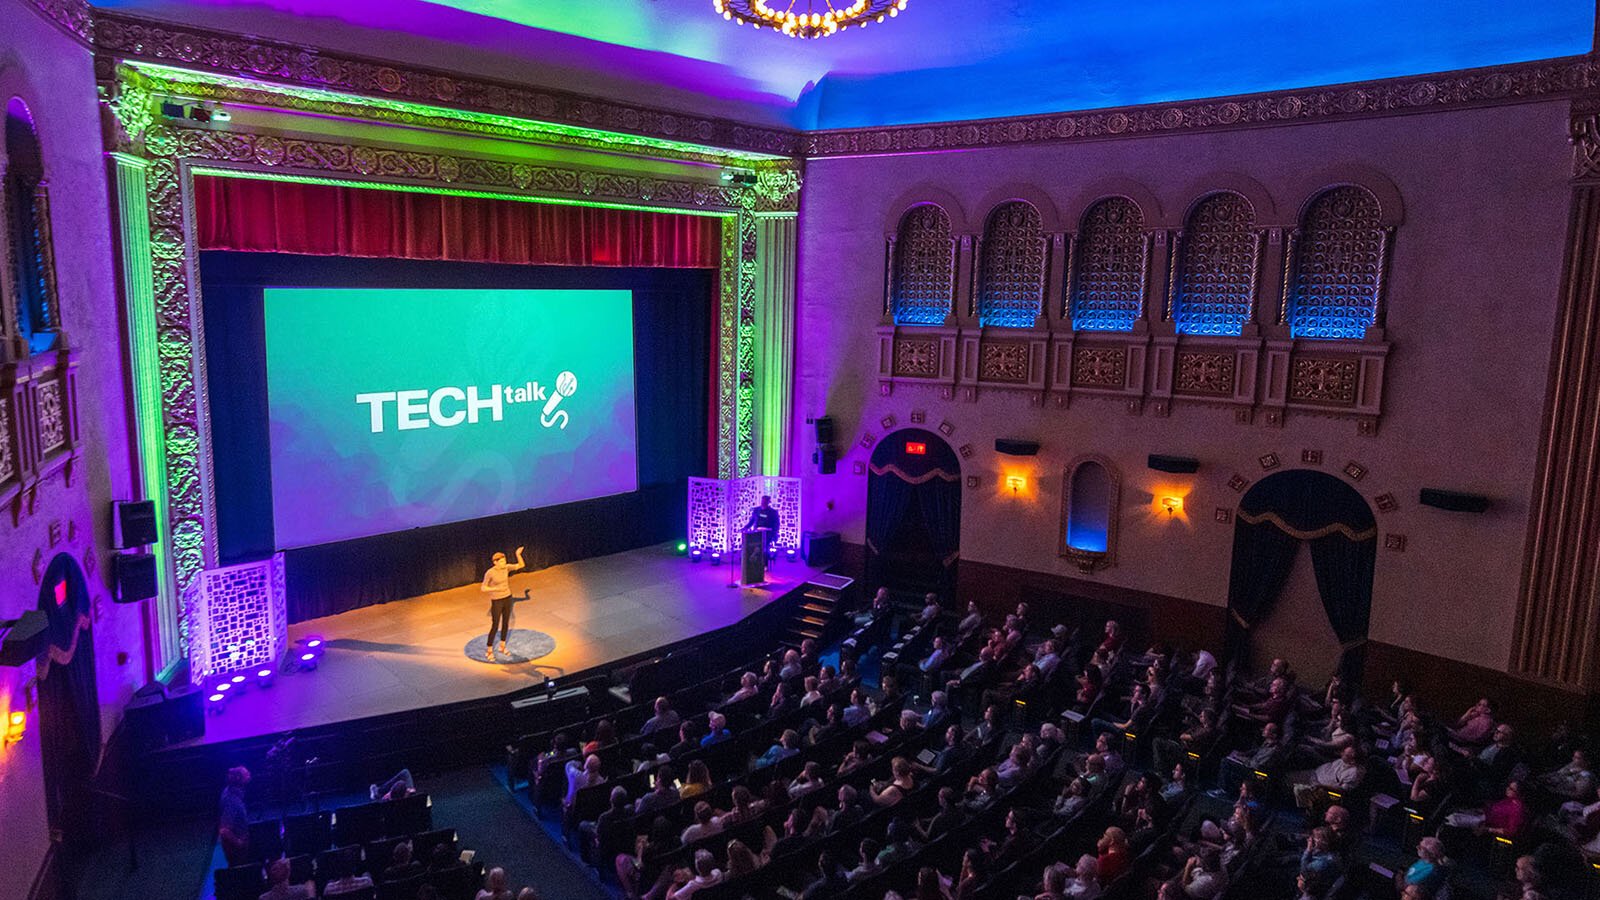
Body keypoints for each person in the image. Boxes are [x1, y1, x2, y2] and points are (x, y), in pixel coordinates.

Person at [479, 546, 525, 661]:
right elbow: (483, 588)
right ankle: (489, 650)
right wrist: (495, 589)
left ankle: (502, 647)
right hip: (497, 600)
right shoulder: (490, 572)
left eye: (505, 560)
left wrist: (518, 555)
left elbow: (521, 565)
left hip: (507, 598)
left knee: (505, 623)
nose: (504, 563)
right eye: (502, 561)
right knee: (495, 625)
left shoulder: (507, 568)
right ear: (495, 563)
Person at [219, 765, 251, 866]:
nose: (249, 776)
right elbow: (224, 830)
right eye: (246, 775)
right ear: (239, 779)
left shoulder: (231, 792)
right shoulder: (231, 800)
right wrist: (239, 843)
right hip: (236, 850)